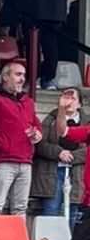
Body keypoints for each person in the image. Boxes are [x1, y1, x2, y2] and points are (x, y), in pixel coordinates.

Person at [0, 60, 42, 219]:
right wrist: (1, 145)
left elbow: (35, 122)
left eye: (23, 75)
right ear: (5, 77)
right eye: (18, 74)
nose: (22, 79)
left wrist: (38, 133)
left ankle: (17, 236)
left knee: (20, 208)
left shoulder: (28, 101)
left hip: (25, 160)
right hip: (2, 160)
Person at [34, 87, 82, 222]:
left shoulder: (86, 121)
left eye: (73, 98)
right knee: (51, 211)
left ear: (79, 104)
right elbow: (40, 144)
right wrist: (58, 152)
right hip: (52, 172)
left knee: (74, 213)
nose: (69, 102)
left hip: (78, 173)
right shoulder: (50, 120)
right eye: (66, 97)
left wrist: (72, 156)